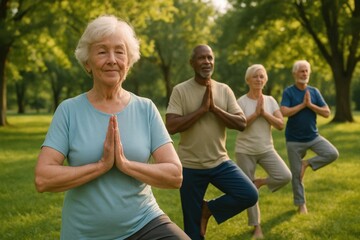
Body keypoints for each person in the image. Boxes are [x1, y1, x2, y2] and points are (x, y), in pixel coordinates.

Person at [34, 15, 190, 240]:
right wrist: (101, 166)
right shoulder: (68, 111)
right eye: (101, 51)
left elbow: (175, 175)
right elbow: (43, 178)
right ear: (87, 62)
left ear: (129, 61)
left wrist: (124, 164)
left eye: (119, 51)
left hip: (144, 222)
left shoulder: (145, 108)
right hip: (86, 233)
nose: (112, 59)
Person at [165, 44, 258, 240]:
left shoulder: (224, 90)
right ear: (192, 63)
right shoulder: (180, 90)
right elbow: (171, 126)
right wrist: (201, 110)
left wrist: (214, 109)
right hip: (190, 166)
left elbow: (241, 123)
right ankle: (200, 216)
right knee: (193, 231)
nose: (206, 62)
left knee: (249, 194)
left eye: (210, 58)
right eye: (201, 58)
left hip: (220, 162)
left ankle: (208, 209)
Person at [235, 64, 292, 239]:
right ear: (248, 80)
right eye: (255, 76)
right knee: (249, 191)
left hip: (266, 149)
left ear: (265, 80)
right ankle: (256, 227)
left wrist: (264, 113)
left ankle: (259, 182)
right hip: (245, 151)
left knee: (285, 176)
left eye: (262, 76)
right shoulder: (241, 101)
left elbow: (281, 125)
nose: (259, 79)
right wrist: (255, 114)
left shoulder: (270, 101)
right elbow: (240, 125)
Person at [280, 60, 339, 214]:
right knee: (296, 175)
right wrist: (302, 105)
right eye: (301, 71)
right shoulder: (289, 92)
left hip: (313, 137)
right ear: (294, 74)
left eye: (306, 71)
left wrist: (311, 105)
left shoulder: (314, 91)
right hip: (294, 140)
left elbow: (326, 113)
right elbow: (284, 112)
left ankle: (306, 163)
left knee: (332, 153)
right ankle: (301, 204)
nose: (304, 74)